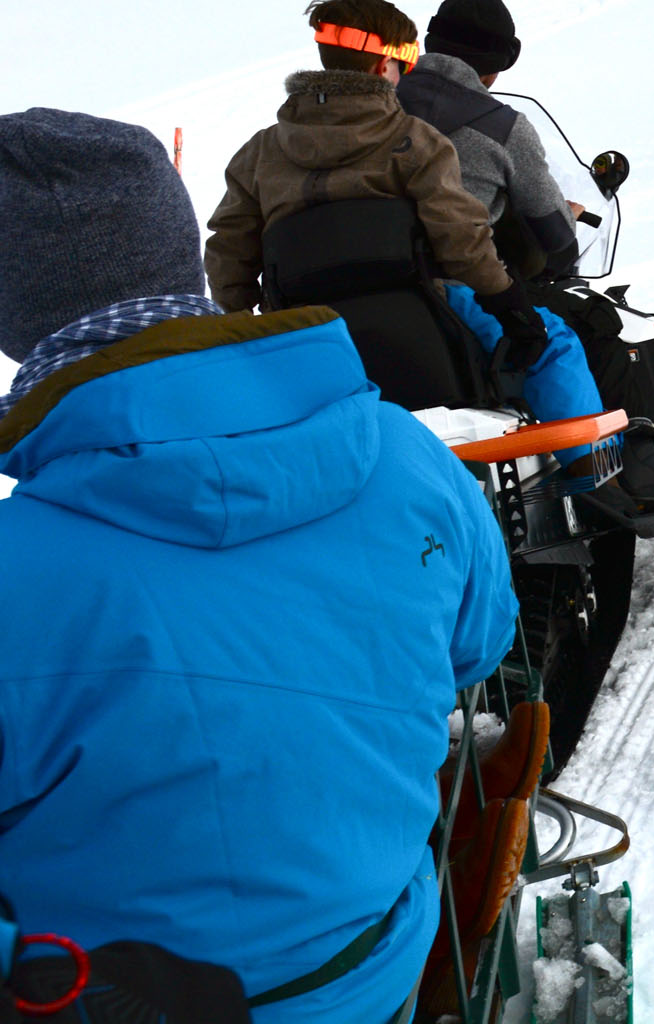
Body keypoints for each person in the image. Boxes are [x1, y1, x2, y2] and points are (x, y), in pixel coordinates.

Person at [0, 107, 518, 1022]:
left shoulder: (20, 570)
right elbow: (479, 647)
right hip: (385, 965)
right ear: (176, 252)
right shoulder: (410, 457)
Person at [204, 0, 551, 370]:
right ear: (385, 66)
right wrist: (510, 304)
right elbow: (462, 242)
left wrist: (242, 324)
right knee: (557, 346)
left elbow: (228, 253)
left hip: (302, 339)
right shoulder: (417, 143)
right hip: (415, 336)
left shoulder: (260, 152)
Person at [395, 0, 583, 280]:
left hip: (360, 272)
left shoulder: (373, 101)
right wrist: (568, 216)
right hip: (460, 289)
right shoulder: (504, 129)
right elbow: (555, 234)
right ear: (498, 64)